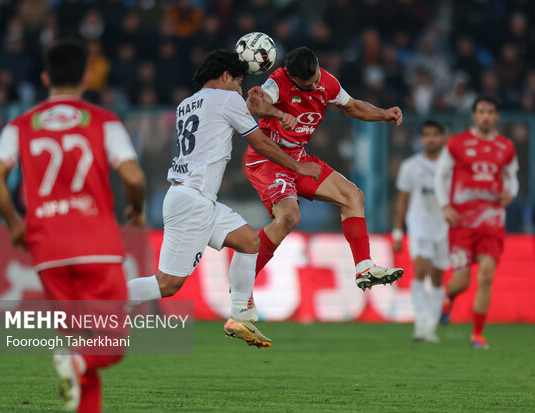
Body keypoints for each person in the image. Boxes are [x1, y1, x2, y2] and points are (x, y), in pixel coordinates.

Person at [0, 39, 146, 412]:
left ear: (45, 78)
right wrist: (136, 210)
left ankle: (77, 369)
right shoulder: (104, 120)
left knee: (80, 342)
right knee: (111, 342)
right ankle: (76, 362)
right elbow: (134, 178)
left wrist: (14, 223)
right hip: (96, 244)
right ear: (86, 77)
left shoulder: (20, 125)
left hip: (47, 247)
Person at [126, 50, 321, 348]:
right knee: (166, 285)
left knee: (249, 241)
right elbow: (257, 141)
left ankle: (240, 315)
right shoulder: (226, 99)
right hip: (193, 201)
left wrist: (273, 112)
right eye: (239, 82)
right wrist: (297, 166)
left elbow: (218, 133)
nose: (241, 91)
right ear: (226, 76)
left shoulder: (186, 104)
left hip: (192, 197)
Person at [245, 47, 404, 301]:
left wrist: (383, 114)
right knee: (289, 217)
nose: (315, 86)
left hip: (298, 158)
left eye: (317, 78)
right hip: (268, 159)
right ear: (293, 78)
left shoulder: (327, 82)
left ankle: (364, 268)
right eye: (308, 86)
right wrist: (278, 113)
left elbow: (352, 107)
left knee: (353, 196)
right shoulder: (277, 82)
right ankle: (244, 277)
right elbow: (254, 104)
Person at [435, 96, 519, 350]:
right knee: (462, 282)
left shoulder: (506, 146)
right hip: (462, 222)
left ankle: (477, 335)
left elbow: (512, 177)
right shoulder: (457, 143)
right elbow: (441, 176)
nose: (485, 116)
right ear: (474, 115)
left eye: (490, 112)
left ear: (496, 116)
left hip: (492, 220)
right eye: (481, 111)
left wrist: (511, 192)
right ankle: (448, 299)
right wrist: (445, 206)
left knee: (485, 275)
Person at [393, 120, 449, 343]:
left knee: (437, 277)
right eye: (427, 135)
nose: (431, 139)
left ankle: (430, 326)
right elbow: (402, 201)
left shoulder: (451, 166)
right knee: (421, 267)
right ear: (422, 139)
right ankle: (420, 322)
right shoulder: (411, 166)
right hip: (419, 222)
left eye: (435, 134)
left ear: (442, 137)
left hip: (443, 225)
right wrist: (398, 232)